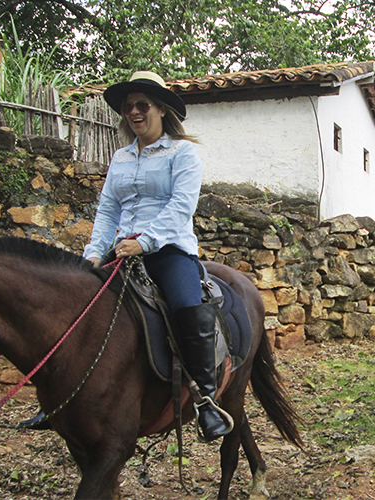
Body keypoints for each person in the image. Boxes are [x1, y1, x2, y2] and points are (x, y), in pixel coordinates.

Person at [83, 70, 232, 441]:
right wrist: (93, 255)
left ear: (162, 110)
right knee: (81, 305)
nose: (134, 111)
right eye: (128, 106)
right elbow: (107, 211)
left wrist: (145, 242)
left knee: (185, 304)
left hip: (168, 250)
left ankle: (205, 401)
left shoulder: (183, 153)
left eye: (142, 104)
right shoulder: (119, 158)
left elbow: (181, 206)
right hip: (120, 250)